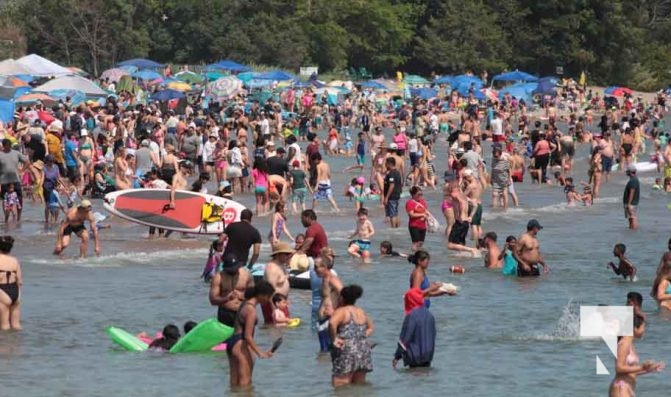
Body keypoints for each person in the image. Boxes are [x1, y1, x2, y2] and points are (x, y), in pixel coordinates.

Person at [226, 280, 276, 388]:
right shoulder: (251, 310)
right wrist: (260, 353)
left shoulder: (245, 302)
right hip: (241, 346)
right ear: (262, 295)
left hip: (232, 343)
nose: (268, 301)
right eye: (268, 297)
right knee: (245, 386)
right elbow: (248, 336)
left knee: (234, 385)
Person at [329, 284, 374, 388]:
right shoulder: (360, 311)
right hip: (363, 351)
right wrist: (360, 337)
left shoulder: (342, 311)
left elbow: (332, 323)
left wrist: (334, 339)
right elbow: (371, 327)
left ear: (342, 298)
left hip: (347, 352)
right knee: (359, 386)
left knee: (340, 386)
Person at [608, 315, 664, 396]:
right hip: (621, 387)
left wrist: (649, 369)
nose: (644, 330)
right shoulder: (624, 344)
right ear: (635, 328)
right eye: (643, 327)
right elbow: (619, 368)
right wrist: (642, 367)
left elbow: (630, 372)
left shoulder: (630, 344)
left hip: (627, 387)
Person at [393, 288, 436, 369]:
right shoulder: (430, 315)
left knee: (414, 379)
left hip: (415, 358)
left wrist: (397, 356)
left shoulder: (411, 316)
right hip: (428, 356)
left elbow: (405, 339)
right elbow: (433, 335)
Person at [209, 254, 254, 327]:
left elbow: (254, 295)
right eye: (231, 269)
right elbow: (212, 300)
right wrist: (226, 298)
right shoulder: (218, 277)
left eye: (235, 268)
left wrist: (243, 296)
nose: (233, 271)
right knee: (226, 337)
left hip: (243, 311)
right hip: (225, 313)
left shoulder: (246, 275)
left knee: (244, 336)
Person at [261, 242, 294, 324]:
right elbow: (269, 290)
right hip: (273, 303)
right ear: (278, 254)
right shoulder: (272, 267)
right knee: (273, 327)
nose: (289, 256)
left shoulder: (281, 265)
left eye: (289, 254)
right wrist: (274, 308)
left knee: (284, 327)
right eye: (286, 254)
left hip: (280, 302)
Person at [0, 138, 28, 222]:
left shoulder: (16, 153)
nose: (8, 147)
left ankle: (19, 217)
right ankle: (6, 218)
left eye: (9, 146)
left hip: (16, 180)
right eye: (6, 146)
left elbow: (27, 161)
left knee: (19, 198)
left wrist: (22, 171)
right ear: (3, 146)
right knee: (5, 200)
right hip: (4, 181)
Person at [0, 236, 21, 330]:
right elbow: (19, 281)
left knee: (4, 327)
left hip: (2, 292)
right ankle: (17, 344)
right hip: (16, 293)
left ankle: (5, 344)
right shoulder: (15, 261)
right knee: (16, 326)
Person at [405, 186, 431, 252]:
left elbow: (425, 211)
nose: (420, 196)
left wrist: (428, 220)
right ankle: (415, 255)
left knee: (420, 243)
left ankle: (418, 254)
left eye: (421, 194)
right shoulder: (410, 203)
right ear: (413, 194)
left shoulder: (422, 202)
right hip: (414, 225)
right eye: (418, 194)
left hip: (422, 226)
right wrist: (422, 215)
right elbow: (411, 215)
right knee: (415, 243)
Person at [383, 157, 402, 228]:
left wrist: (386, 197)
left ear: (389, 164)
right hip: (397, 195)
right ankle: (397, 228)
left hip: (392, 196)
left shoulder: (391, 173)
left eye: (386, 163)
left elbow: (392, 185)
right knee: (395, 213)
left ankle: (393, 228)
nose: (385, 165)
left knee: (392, 214)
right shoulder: (397, 172)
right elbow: (400, 184)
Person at [623, 164, 640, 230]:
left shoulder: (633, 180)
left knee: (632, 217)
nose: (626, 172)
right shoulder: (634, 179)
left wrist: (629, 204)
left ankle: (634, 230)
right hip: (633, 202)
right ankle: (632, 230)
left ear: (630, 172)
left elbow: (631, 193)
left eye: (627, 171)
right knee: (630, 218)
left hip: (631, 203)